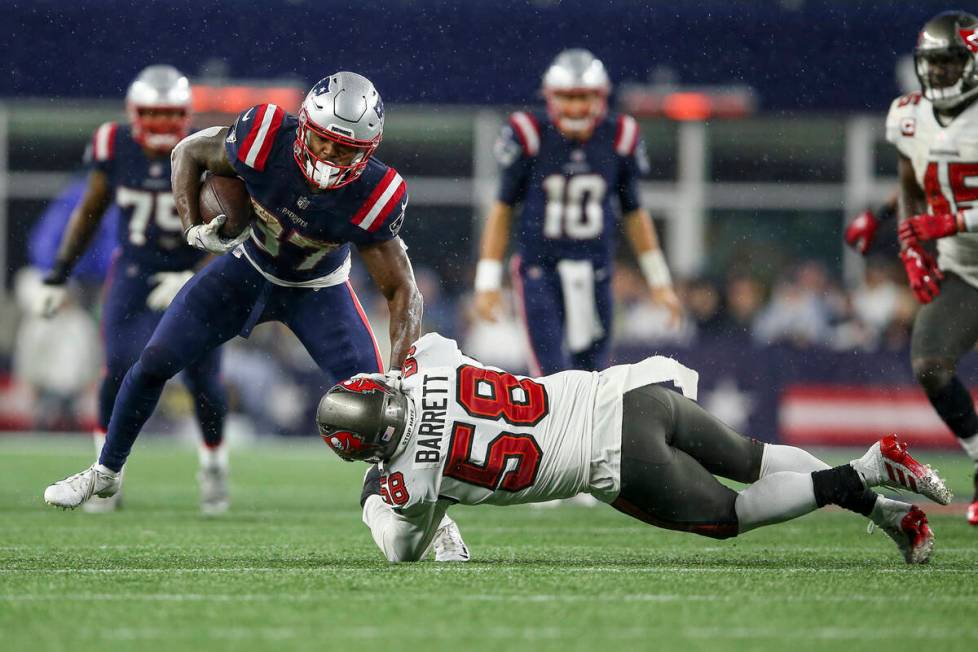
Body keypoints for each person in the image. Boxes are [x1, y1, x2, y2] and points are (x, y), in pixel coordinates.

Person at [41, 72, 442, 535]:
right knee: (153, 361)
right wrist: (193, 227)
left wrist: (397, 372)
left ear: (368, 151)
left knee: (381, 408)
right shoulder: (266, 137)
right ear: (304, 125)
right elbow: (187, 152)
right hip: (247, 269)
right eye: (324, 140)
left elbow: (402, 290)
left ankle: (428, 513)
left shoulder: (375, 193)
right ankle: (105, 474)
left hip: (318, 289)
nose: (330, 155)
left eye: (345, 148)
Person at [316, 332, 951, 564]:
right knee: (753, 458)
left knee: (732, 516)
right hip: (630, 393)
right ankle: (885, 511)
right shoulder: (431, 361)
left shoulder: (414, 471)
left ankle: (858, 474)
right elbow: (426, 342)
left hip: (614, 460)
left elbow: (403, 550)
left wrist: (375, 496)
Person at [34, 65, 231, 514]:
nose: (162, 126)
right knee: (120, 366)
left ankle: (214, 466)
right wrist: (58, 273)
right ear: (134, 113)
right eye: (152, 114)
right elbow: (89, 210)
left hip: (192, 266)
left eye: (170, 115)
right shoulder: (114, 144)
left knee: (203, 376)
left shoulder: (210, 147)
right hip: (135, 269)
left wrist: (197, 274)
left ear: (185, 114)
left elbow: (232, 224)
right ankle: (106, 475)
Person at [473, 48, 681, 376]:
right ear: (550, 97)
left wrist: (659, 280)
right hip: (541, 271)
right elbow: (502, 208)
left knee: (592, 378)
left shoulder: (619, 137)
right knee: (551, 378)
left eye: (584, 96)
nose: (575, 106)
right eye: (566, 97)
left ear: (601, 97)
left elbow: (635, 213)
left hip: (595, 270)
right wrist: (487, 281)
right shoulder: (530, 134)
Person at [884, 11, 978, 525]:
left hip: (961, 248)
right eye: (932, 63)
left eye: (950, 62)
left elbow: (945, 209)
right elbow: (913, 189)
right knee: (930, 364)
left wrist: (954, 222)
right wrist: (910, 246)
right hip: (966, 273)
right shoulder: (909, 116)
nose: (938, 73)